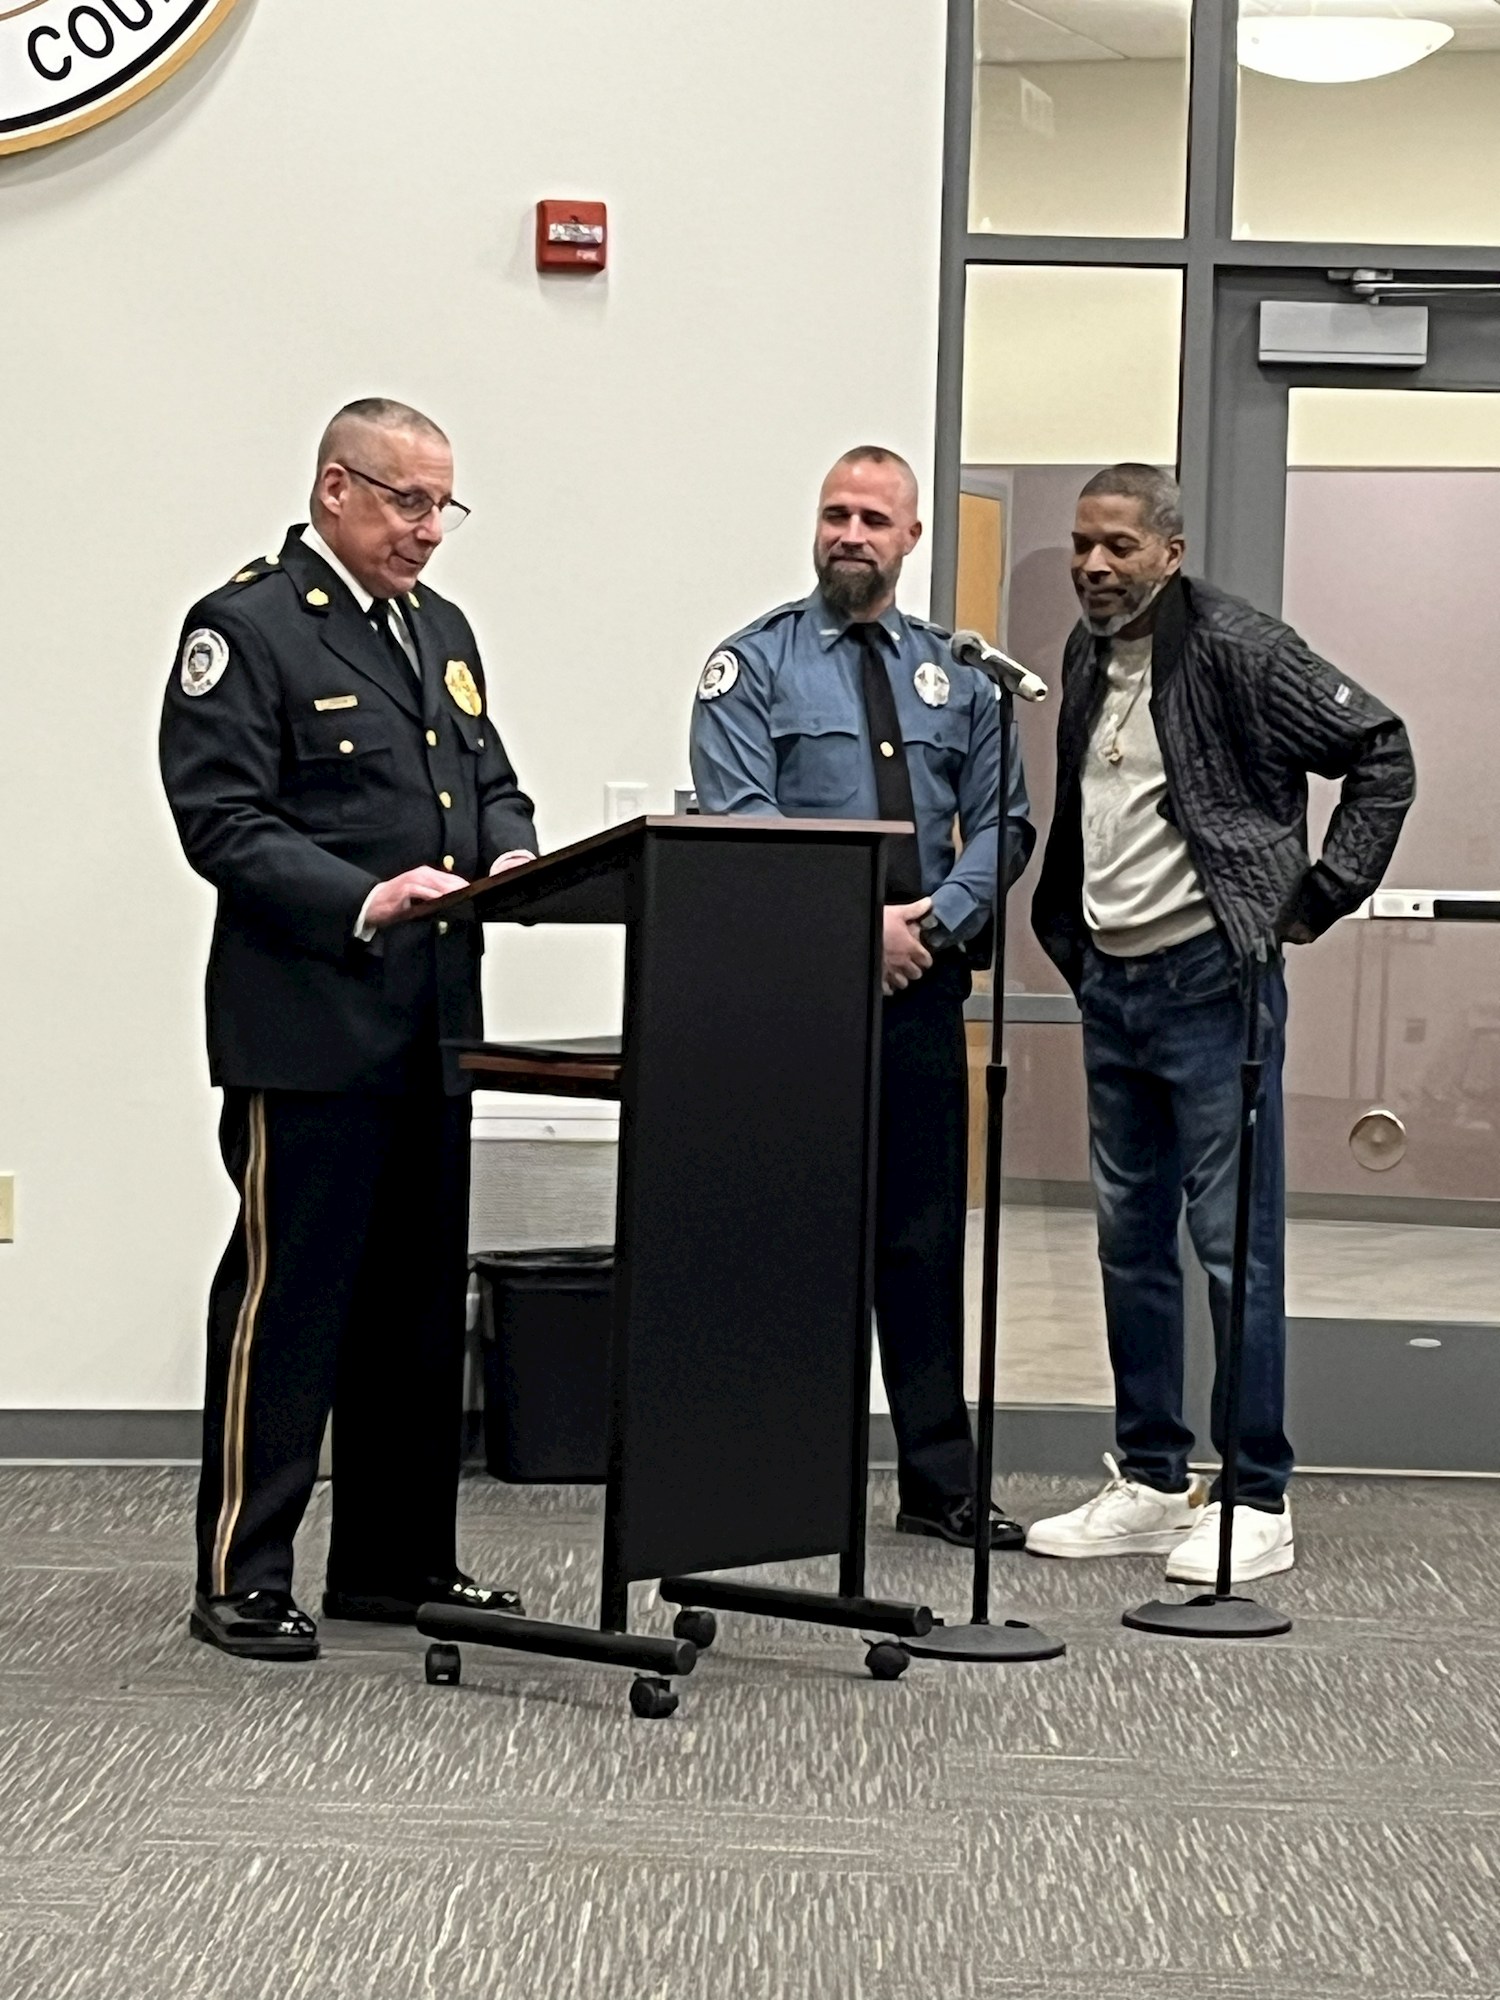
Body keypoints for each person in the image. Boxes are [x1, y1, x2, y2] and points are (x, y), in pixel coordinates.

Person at [160, 398, 539, 1660]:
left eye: (443, 506)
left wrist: (518, 852)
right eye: (406, 501)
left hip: (433, 1024)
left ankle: (393, 1560)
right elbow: (222, 820)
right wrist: (365, 897)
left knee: (415, 1310)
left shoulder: (440, 628)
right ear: (335, 487)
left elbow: (487, 780)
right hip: (310, 1026)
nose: (428, 530)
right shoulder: (247, 626)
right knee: (289, 1302)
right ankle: (241, 1571)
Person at [1026, 463, 1415, 1582]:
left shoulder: (1244, 648)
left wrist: (1321, 893)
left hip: (1211, 984)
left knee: (1232, 1249)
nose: (1095, 566)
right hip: (1113, 985)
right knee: (1129, 1242)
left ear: (1171, 552)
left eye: (1119, 546)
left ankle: (1256, 1498)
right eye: (1082, 545)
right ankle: (1153, 1481)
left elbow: (1382, 751)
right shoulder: (1087, 651)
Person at [689, 446, 1035, 1549]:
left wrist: (929, 926)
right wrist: (854, 930)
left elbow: (1005, 823)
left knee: (924, 1241)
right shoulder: (752, 666)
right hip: (795, 1001)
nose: (851, 533)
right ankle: (777, 1472)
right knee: (791, 1238)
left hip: (921, 989)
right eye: (836, 513)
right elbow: (741, 819)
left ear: (911, 538)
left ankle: (939, 1483)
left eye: (875, 518)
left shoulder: (961, 676)